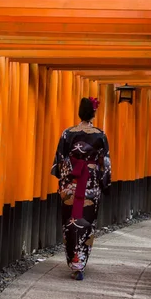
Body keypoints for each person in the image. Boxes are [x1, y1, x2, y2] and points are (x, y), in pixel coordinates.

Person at [51, 97, 111, 280]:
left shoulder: (67, 134)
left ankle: (73, 262)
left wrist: (64, 181)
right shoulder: (100, 135)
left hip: (71, 184)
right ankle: (81, 263)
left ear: (79, 112)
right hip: (90, 186)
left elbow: (60, 161)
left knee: (70, 223)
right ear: (94, 113)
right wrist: (104, 182)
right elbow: (104, 164)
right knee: (87, 223)